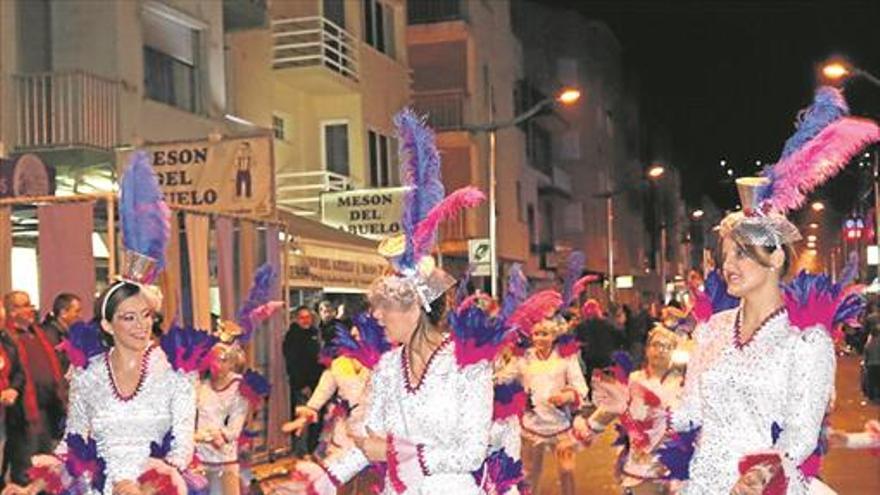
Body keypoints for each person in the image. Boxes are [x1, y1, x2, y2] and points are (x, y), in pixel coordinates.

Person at [586, 326, 684, 495]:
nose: (660, 351)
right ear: (646, 349)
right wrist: (584, 432)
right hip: (640, 464)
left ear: (674, 352)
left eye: (667, 347)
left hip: (673, 465)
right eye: (655, 345)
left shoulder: (682, 384)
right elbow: (610, 408)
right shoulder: (633, 380)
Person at [499, 317, 588, 495]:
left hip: (561, 426)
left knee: (567, 471)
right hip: (532, 426)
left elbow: (581, 387)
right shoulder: (523, 357)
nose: (540, 338)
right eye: (536, 334)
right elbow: (503, 377)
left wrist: (567, 396)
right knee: (528, 476)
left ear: (554, 335)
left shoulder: (566, 357)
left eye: (545, 334)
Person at [2, 291, 65, 486]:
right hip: (23, 415)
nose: (31, 309)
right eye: (25, 305)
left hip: (45, 412)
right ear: (12, 311)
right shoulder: (8, 338)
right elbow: (16, 374)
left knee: (47, 469)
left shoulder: (38, 333)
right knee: (25, 473)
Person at [195, 343, 250, 495]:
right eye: (213, 359)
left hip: (224, 454)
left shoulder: (239, 388)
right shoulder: (200, 384)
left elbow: (236, 426)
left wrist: (220, 436)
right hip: (199, 453)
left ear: (232, 363)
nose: (216, 364)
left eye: (223, 360)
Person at [283, 306, 323, 456]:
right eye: (302, 317)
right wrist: (301, 385)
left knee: (314, 419)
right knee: (302, 419)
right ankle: (301, 451)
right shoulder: (293, 337)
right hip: (302, 385)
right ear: (296, 319)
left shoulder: (314, 334)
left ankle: (312, 449)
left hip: (316, 383)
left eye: (308, 317)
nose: (306, 320)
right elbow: (293, 364)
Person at [41, 293, 83, 373]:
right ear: (63, 313)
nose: (80, 316)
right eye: (77, 311)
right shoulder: (50, 335)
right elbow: (59, 365)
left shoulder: (66, 333)